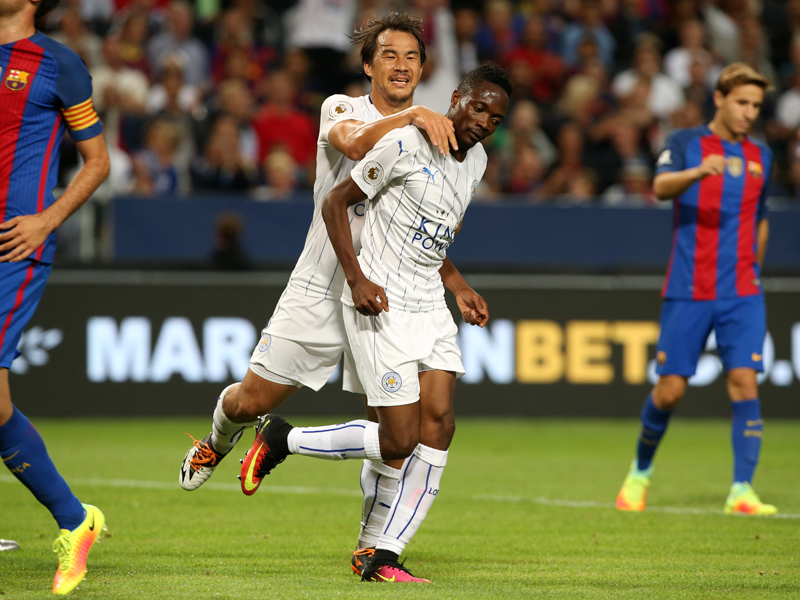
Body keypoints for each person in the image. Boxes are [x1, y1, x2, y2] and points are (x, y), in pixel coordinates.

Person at [179, 12, 481, 575]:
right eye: (388, 55)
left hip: (390, 296)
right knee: (252, 400)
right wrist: (416, 116)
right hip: (323, 285)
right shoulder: (343, 108)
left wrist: (452, 280)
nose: (401, 66)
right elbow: (355, 142)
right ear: (367, 65)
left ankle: (371, 545)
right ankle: (219, 440)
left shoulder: (440, 140)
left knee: (394, 434)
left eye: (412, 57)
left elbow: (425, 227)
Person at [238, 65, 512, 583]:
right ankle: (282, 439)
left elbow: (432, 237)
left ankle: (383, 554)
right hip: (381, 301)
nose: (483, 123)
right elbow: (335, 202)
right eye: (478, 107)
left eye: (495, 118)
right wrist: (357, 278)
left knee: (442, 426)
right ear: (456, 97)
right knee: (398, 440)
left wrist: (459, 287)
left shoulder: (475, 161)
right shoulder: (406, 143)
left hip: (429, 301)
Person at [615, 63, 777, 516]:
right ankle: (639, 474)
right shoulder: (685, 143)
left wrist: (754, 271)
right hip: (690, 287)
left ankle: (742, 490)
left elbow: (760, 216)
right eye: (742, 102)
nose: (749, 113)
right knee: (670, 391)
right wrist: (699, 173)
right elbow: (660, 186)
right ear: (721, 99)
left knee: (745, 382)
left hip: (743, 292)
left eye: (757, 106)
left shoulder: (761, 155)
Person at [0, 0, 111, 594]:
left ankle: (75, 520)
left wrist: (47, 220)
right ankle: (76, 519)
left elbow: (97, 160)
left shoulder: (58, 64)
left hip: (13, 248)